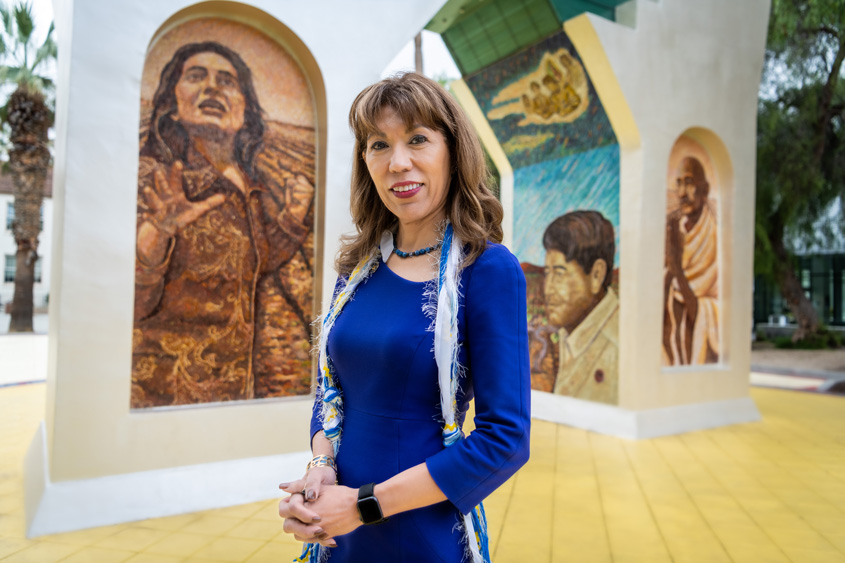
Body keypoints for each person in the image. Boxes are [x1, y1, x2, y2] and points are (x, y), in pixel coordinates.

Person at [278, 73, 531, 562]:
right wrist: (321, 470)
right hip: (338, 530)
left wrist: (363, 505)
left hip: (415, 532)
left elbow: (506, 440)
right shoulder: (359, 267)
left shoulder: (487, 269)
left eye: (417, 139)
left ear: (453, 152)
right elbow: (333, 391)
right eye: (379, 145)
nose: (398, 163)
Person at [132, 41, 315, 407]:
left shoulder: (245, 183)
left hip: (233, 393)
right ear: (172, 103)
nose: (212, 87)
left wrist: (292, 220)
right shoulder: (153, 178)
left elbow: (251, 266)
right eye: (196, 77)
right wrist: (159, 230)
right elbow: (131, 301)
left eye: (227, 81)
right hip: (165, 399)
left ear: (245, 110)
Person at [542, 211, 618, 404]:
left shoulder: (618, 348)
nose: (548, 289)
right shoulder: (570, 334)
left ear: (596, 275)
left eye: (559, 273)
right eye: (546, 273)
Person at [663, 156, 719, 365]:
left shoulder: (714, 238)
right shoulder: (675, 232)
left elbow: (703, 314)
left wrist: (676, 268)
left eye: (689, 183)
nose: (682, 193)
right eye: (679, 184)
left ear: (704, 190)